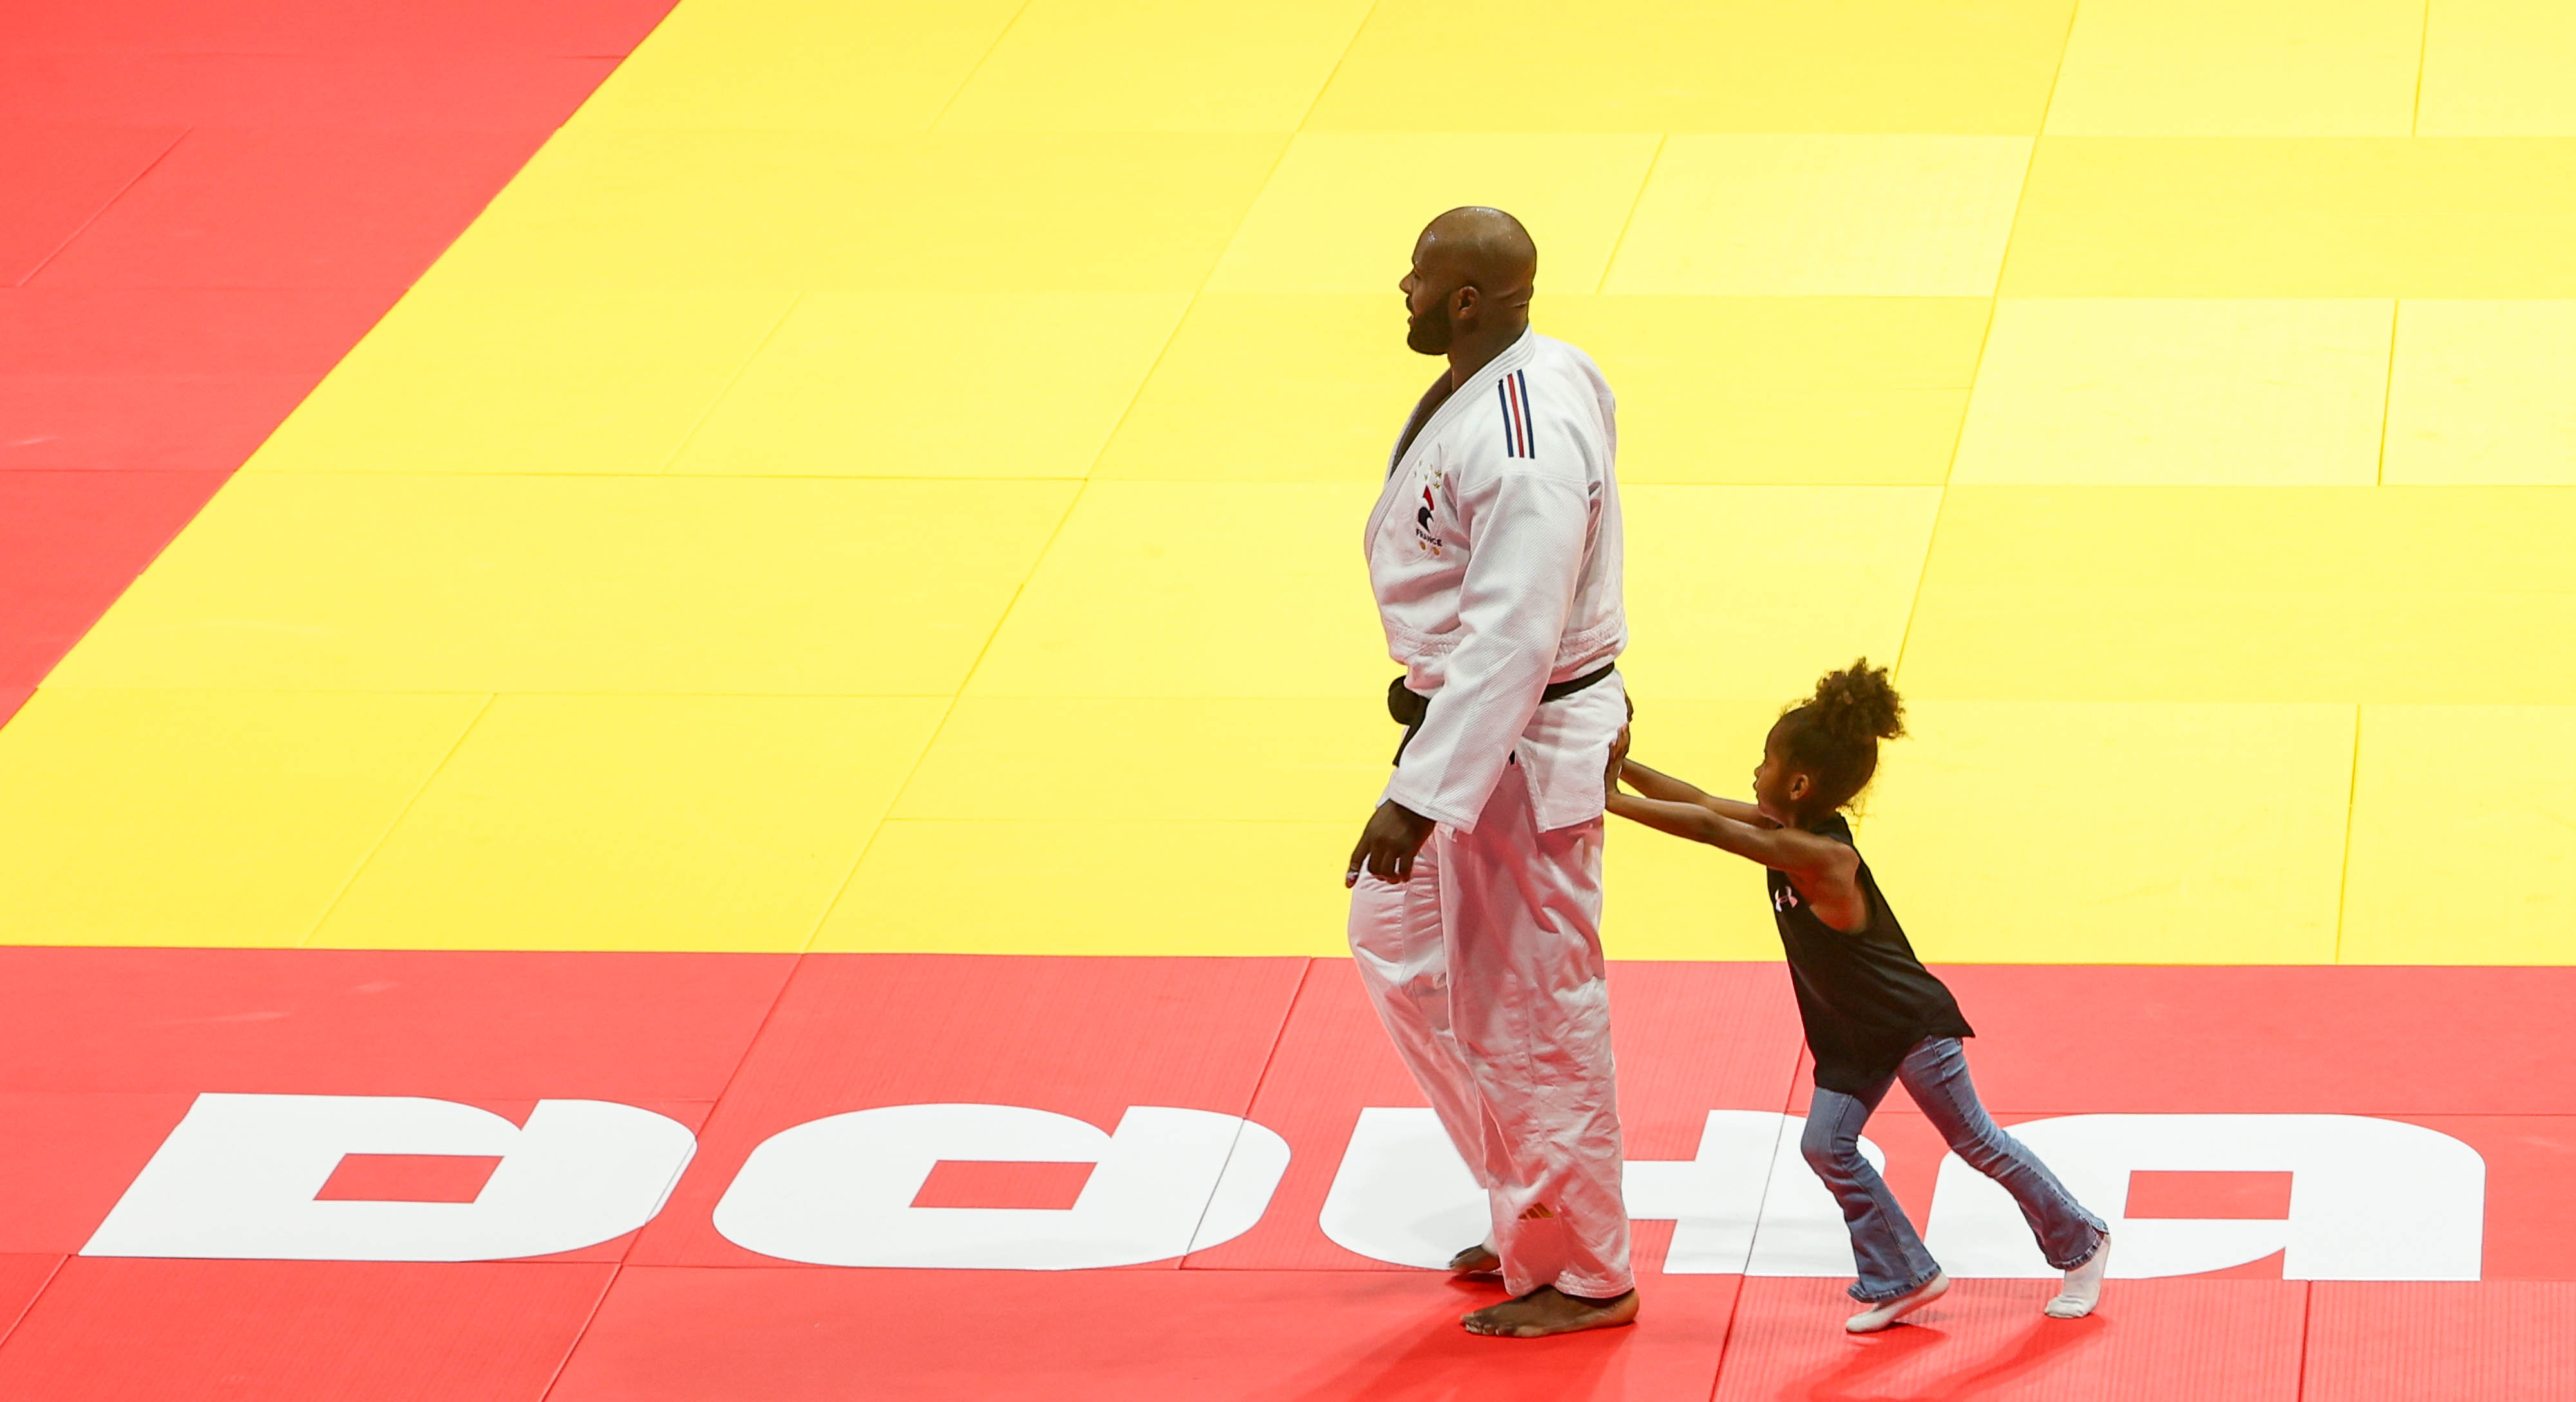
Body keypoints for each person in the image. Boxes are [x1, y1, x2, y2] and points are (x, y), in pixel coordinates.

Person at [1604, 660, 2110, 1333]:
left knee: (1975, 1141)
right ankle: (1903, 1273)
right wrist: (1621, 768)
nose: (1753, 773)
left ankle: (2081, 1239)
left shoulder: (1821, 857)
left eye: (1763, 762)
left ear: (1798, 782)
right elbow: (1697, 801)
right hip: (1854, 1035)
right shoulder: (1783, 829)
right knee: (1826, 1145)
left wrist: (1604, 799)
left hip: (1908, 1026)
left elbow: (1709, 830)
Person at [1343, 207, 1637, 1339]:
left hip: (1510, 742)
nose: (1403, 289)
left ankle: (1585, 1270)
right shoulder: (1540, 370)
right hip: (1482, 719)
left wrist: (1420, 797)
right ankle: (1530, 1206)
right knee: (1400, 944)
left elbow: (1518, 629)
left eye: (1419, 275)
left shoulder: (1523, 440)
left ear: (1467, 299)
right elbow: (1580, 567)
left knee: (1531, 1011)